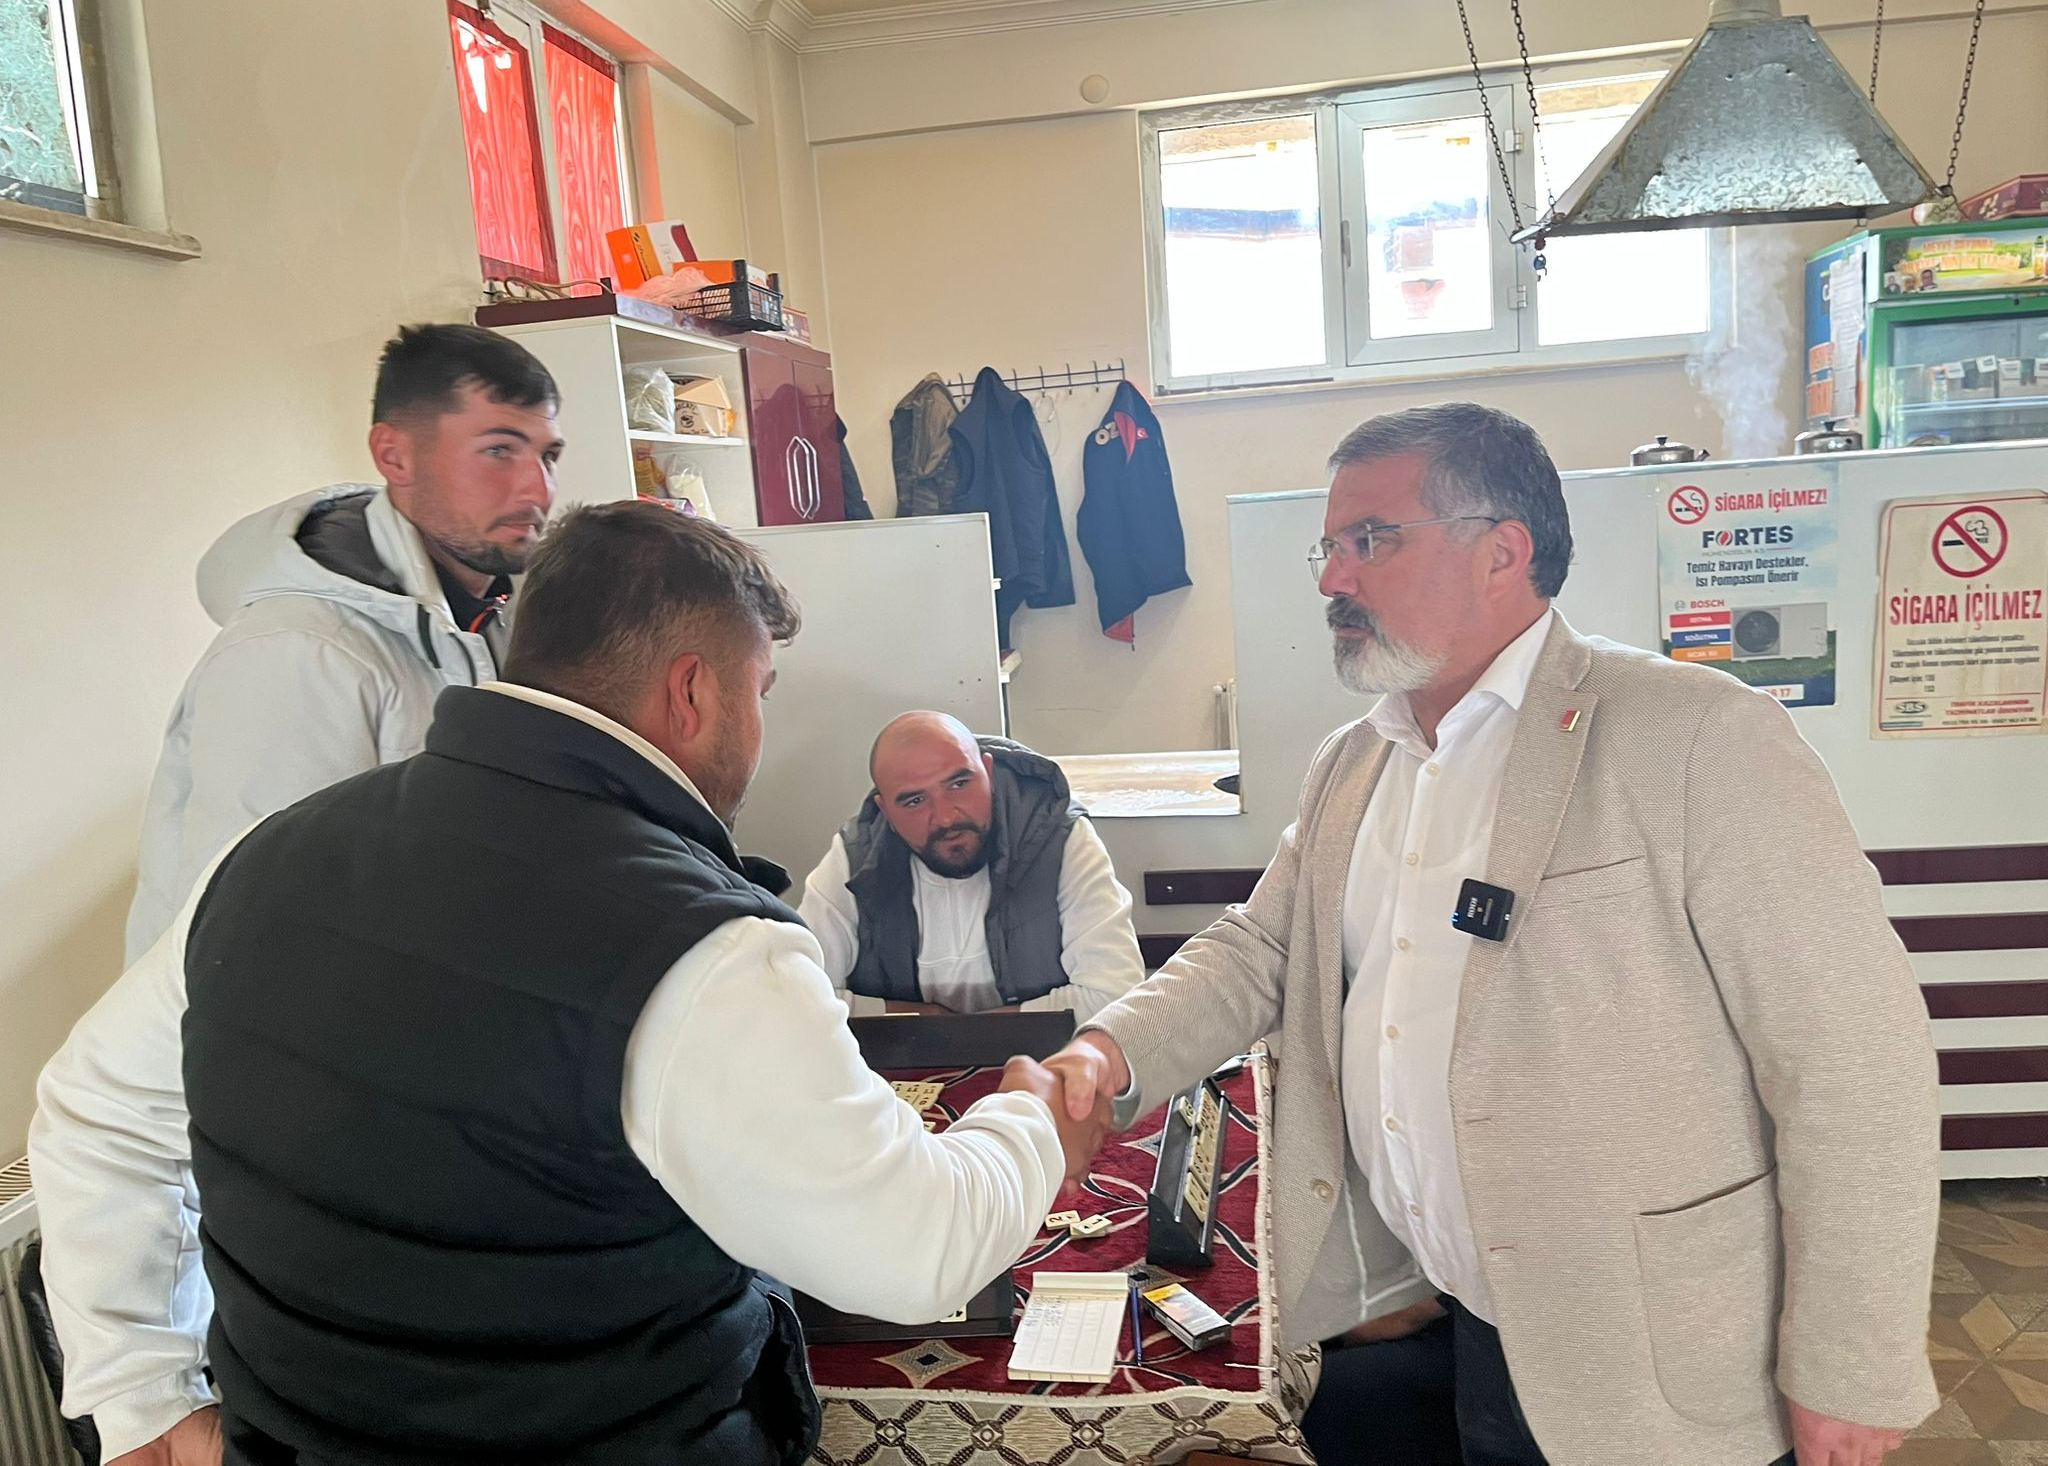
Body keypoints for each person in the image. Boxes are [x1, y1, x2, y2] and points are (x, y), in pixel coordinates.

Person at [33, 503, 1106, 1466]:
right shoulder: (702, 945)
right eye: (759, 691)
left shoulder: (260, 860)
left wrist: (141, 1397)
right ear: (694, 691)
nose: (759, 726)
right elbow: (916, 1251)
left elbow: (92, 1114)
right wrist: (1030, 1122)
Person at [1038, 403, 1940, 1466]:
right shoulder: (1355, 761)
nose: (1332, 579)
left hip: (1657, 1354)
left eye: (1370, 539)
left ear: (1502, 553)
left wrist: (1850, 1364)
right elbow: (1262, 949)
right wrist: (1104, 1054)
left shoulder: (1698, 737)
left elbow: (1854, 1067)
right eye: (1330, 547)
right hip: (1456, 1312)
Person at [123, 323, 563, 965]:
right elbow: (264, 936)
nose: (537, 491)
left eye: (548, 457)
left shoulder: (506, 616)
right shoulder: (301, 651)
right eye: (499, 451)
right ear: (395, 456)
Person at [798, 713, 1145, 1023]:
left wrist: (955, 1034)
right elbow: (797, 997)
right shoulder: (855, 857)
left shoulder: (1058, 837)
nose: (946, 817)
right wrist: (929, 1020)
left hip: (1047, 1064)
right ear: (885, 810)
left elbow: (1114, 995)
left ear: (988, 773)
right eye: (915, 801)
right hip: (896, 1070)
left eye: (959, 784)